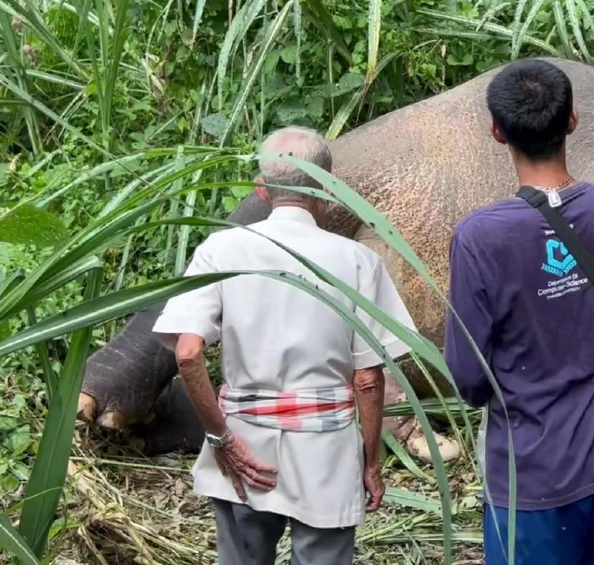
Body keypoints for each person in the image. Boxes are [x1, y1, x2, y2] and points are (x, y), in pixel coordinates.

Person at [444, 59, 594, 565]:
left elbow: (467, 377)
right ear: (572, 120)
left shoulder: (478, 238)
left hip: (528, 474)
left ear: (496, 131)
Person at [153, 126, 420, 564]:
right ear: (326, 190)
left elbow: (187, 352)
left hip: (244, 445)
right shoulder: (357, 261)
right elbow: (369, 379)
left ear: (261, 189)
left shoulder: (221, 249)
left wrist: (221, 439)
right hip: (326, 451)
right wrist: (370, 465)